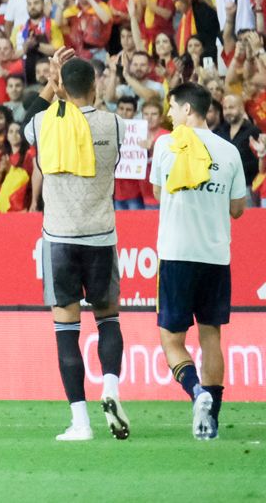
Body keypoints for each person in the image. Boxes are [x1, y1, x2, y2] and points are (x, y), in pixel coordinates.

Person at [21, 49, 129, 442]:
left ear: (63, 86)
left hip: (60, 238)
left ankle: (80, 423)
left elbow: (24, 121)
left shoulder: (44, 124)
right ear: (96, 85)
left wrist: (52, 83)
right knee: (108, 319)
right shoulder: (115, 125)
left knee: (66, 331)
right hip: (101, 235)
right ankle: (112, 391)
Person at [150, 82, 248, 441]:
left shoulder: (166, 144)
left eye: (173, 108)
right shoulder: (230, 151)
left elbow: (158, 193)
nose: (170, 114)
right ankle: (211, 424)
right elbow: (238, 209)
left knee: (171, 339)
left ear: (188, 110)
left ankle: (197, 392)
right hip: (215, 256)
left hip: (177, 255)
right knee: (211, 338)